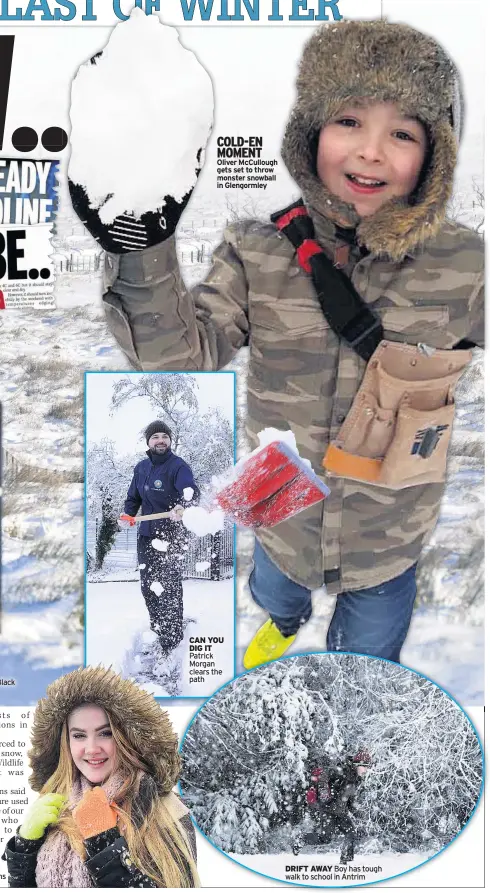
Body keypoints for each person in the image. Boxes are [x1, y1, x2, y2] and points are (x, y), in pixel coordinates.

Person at [69, 20, 484, 668]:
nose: (371, 151)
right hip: (282, 521)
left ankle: (350, 732)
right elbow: (182, 356)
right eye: (349, 120)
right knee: (276, 596)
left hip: (389, 537)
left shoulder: (466, 264)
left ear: (435, 156)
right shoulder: (258, 250)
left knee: (366, 661)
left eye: (402, 132)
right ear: (311, 131)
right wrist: (138, 244)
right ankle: (284, 625)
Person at [2, 666, 199, 887]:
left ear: (126, 738)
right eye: (79, 735)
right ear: (66, 743)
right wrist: (24, 849)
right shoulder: (57, 805)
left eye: (105, 733)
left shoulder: (165, 810)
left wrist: (104, 841)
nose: (91, 748)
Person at [121, 421, 199, 655]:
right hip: (146, 534)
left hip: (171, 534)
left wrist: (182, 505)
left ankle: (172, 638)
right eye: (155, 437)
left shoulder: (178, 466)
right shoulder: (141, 468)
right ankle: (158, 627)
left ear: (170, 441)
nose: (160, 440)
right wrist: (128, 513)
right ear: (148, 442)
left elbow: (190, 492)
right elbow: (133, 497)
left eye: (165, 436)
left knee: (168, 586)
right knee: (148, 585)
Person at [294, 751, 372, 862]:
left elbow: (350, 800)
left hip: (340, 812)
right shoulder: (342, 770)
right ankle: (301, 839)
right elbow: (323, 777)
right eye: (365, 767)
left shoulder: (356, 780)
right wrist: (325, 796)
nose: (366, 770)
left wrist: (358, 814)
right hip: (328, 810)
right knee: (325, 839)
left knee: (351, 832)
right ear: (358, 764)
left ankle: (345, 861)